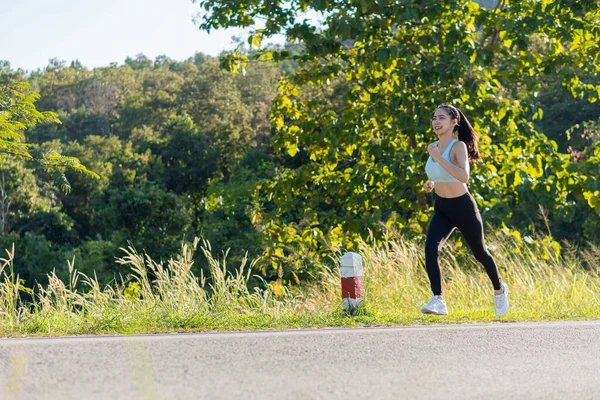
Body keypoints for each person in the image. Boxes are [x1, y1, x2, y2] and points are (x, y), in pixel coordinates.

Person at [421, 103, 508, 317]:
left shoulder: (458, 146)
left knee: (479, 252)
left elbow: (463, 176)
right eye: (434, 117)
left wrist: (439, 158)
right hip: (442, 207)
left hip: (463, 206)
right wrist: (432, 183)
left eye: (441, 117)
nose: (436, 122)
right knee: (431, 248)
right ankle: (437, 299)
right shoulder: (433, 147)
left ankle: (499, 288)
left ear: (454, 122)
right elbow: (437, 172)